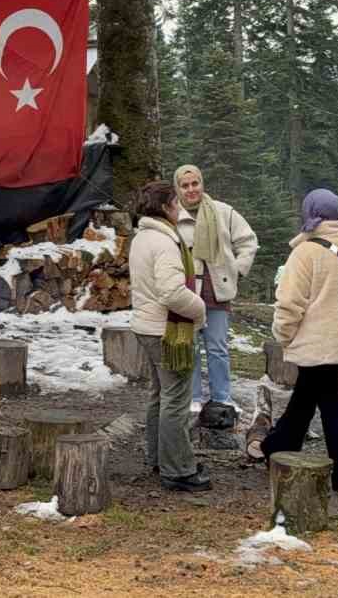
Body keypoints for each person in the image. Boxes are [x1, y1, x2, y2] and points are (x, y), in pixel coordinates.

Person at [247, 189, 338, 491]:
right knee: (309, 397)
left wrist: (283, 336)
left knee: (330, 402)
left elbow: (289, 304)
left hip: (323, 346)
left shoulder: (305, 252)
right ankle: (278, 447)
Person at [128, 179, 211, 492]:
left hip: (148, 327)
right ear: (165, 208)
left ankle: (159, 457)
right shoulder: (164, 242)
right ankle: (178, 470)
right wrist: (200, 310)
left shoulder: (143, 237)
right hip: (166, 331)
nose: (180, 207)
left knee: (160, 395)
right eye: (175, 202)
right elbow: (171, 292)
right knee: (175, 399)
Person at [172, 165, 259, 416]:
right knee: (190, 346)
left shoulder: (223, 212)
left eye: (195, 183)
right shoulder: (173, 214)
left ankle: (222, 397)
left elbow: (248, 241)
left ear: (202, 184)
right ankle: (194, 396)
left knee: (217, 347)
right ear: (178, 188)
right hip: (187, 291)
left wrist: (237, 271)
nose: (191, 189)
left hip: (217, 289)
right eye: (185, 185)